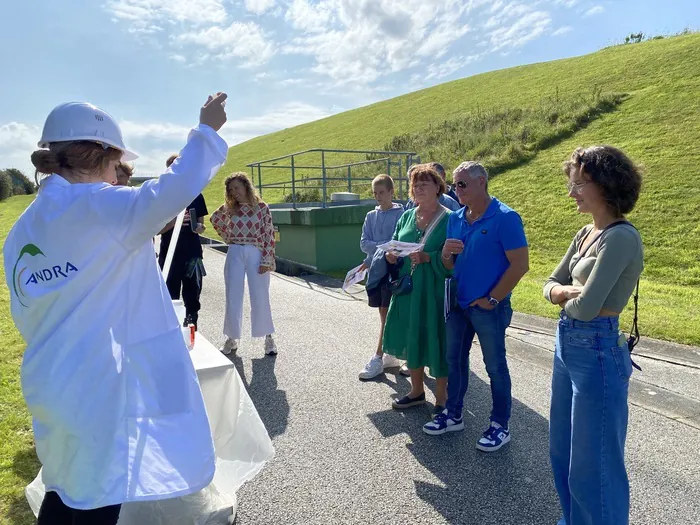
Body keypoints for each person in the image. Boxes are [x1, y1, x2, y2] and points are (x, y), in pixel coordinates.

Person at [3, 94, 228, 524]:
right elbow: (175, 189)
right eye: (116, 164)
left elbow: (27, 309)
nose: (117, 176)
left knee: (65, 484)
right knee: (96, 499)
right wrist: (206, 130)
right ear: (103, 156)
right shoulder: (103, 208)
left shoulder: (23, 230)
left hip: (49, 382)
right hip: (96, 389)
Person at [543, 146, 643, 525]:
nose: (572, 192)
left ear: (604, 184)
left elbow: (587, 309)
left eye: (579, 183)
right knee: (563, 454)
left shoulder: (620, 238)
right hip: (567, 345)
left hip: (598, 350)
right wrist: (562, 292)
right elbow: (550, 283)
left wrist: (563, 296)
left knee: (594, 467)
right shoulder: (586, 232)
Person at [423, 161, 529, 453]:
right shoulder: (456, 218)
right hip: (459, 302)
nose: (456, 190)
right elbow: (449, 265)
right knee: (454, 360)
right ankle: (453, 414)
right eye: (455, 185)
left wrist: (493, 298)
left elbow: (520, 265)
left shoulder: (505, 218)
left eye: (462, 184)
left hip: (488, 307)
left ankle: (499, 425)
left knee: (495, 367)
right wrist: (444, 254)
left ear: (482, 182)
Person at [382, 163, 452, 416]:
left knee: (436, 339)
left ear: (438, 188)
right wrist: (392, 256)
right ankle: (416, 391)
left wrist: (429, 257)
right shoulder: (406, 217)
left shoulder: (449, 219)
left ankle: (442, 398)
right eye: (415, 185)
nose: (419, 188)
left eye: (425, 184)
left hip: (433, 290)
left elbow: (455, 259)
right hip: (409, 289)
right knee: (412, 336)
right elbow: (398, 245)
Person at [210, 172, 277, 356]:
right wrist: (227, 236)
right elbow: (214, 219)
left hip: (256, 252)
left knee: (260, 295)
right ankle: (231, 338)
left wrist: (267, 259)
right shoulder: (230, 208)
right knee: (232, 294)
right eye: (230, 190)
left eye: (236, 188)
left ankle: (268, 339)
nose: (234, 193)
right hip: (235, 252)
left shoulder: (262, 208)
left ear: (246, 186)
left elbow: (269, 234)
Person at [357, 174, 405, 380]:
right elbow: (363, 243)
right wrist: (382, 247)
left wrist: (382, 246)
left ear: (391, 192)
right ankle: (391, 353)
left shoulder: (401, 213)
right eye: (375, 193)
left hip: (395, 270)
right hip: (376, 272)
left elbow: (397, 241)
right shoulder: (370, 216)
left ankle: (381, 355)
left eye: (381, 192)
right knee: (383, 313)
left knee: (393, 312)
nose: (377, 196)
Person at [157, 153, 209, 330]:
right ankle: (171, 330)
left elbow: (202, 225)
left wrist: (199, 228)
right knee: (169, 294)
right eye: (174, 167)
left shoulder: (196, 194)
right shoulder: (162, 195)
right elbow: (155, 230)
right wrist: (173, 223)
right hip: (169, 253)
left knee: (193, 294)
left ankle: (192, 328)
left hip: (193, 253)